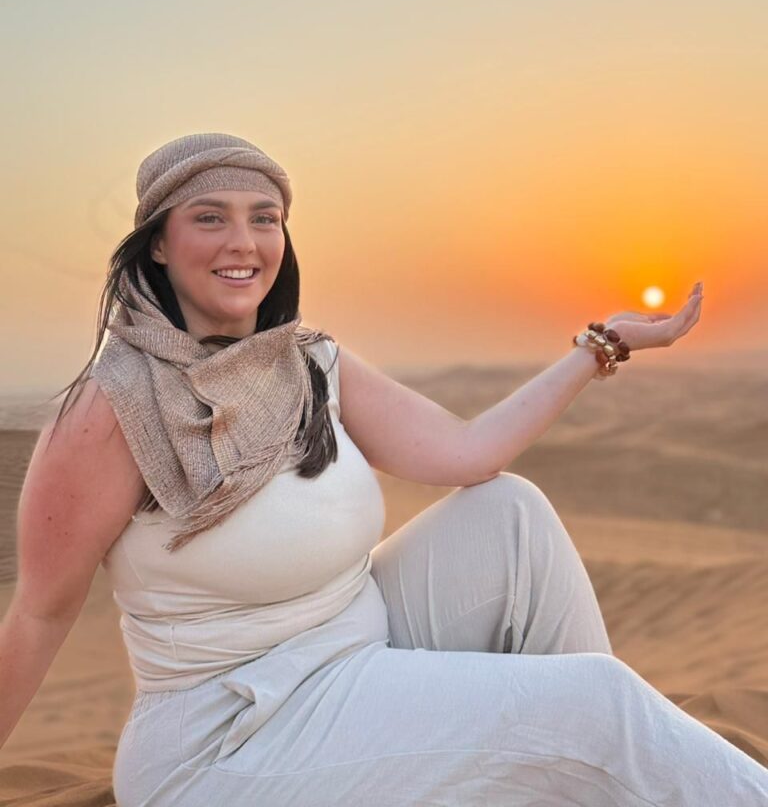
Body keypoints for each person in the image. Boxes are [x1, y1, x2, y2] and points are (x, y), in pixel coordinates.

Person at [1, 132, 765, 807]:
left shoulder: (308, 362)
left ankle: (589, 776)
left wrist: (601, 346)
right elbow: (38, 615)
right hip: (238, 736)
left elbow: (469, 454)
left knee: (512, 514)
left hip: (358, 646)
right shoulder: (112, 411)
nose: (244, 241)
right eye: (211, 217)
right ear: (159, 243)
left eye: (263, 217)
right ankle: (605, 753)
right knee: (594, 704)